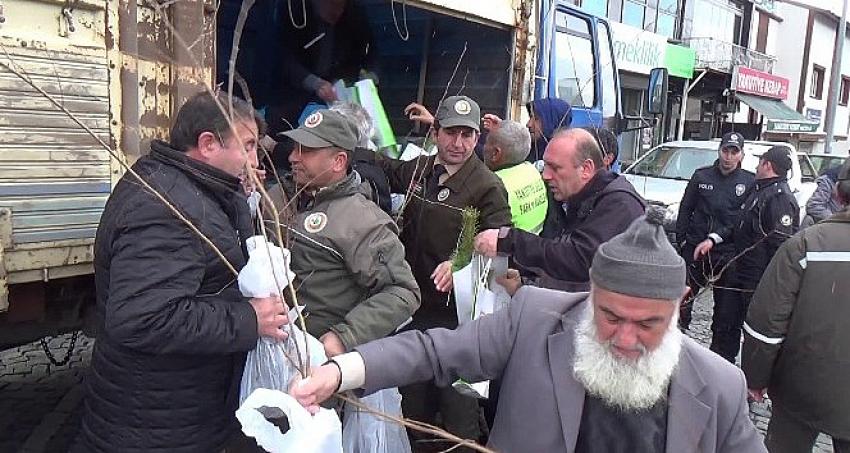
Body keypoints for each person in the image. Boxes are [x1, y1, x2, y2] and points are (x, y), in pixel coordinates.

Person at [291, 207, 766, 453]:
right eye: (611, 317)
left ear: (680, 306)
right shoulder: (536, 318)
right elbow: (434, 351)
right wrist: (338, 372)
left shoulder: (721, 386)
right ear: (591, 294)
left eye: (648, 325)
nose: (625, 339)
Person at [74, 92, 288, 452]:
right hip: (154, 423)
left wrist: (242, 196)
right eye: (248, 147)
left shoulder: (193, 186)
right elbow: (143, 318)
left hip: (176, 408)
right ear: (207, 144)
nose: (255, 161)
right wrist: (249, 319)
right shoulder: (165, 208)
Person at [356, 95, 512, 448]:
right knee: (414, 410)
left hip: (459, 321)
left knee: (458, 417)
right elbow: (388, 167)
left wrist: (461, 262)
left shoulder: (487, 186)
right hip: (413, 313)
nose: (459, 144)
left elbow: (501, 245)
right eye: (451, 133)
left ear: (477, 139)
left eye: (468, 136)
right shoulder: (421, 171)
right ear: (436, 132)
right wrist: (347, 148)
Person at [266, 108, 420, 357]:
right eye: (295, 147)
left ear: (338, 161)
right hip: (271, 351)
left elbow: (403, 293)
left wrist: (344, 337)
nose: (294, 157)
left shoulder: (365, 222)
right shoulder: (278, 197)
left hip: (319, 365)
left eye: (307, 150)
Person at [741, 157, 850, 453]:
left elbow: (766, 326)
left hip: (802, 387)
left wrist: (755, 377)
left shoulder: (807, 244)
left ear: (838, 194)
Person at [473, 128, 645, 294]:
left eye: (555, 168)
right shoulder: (582, 199)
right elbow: (566, 265)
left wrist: (509, 239)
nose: (545, 176)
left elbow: (579, 261)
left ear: (586, 169)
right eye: (545, 166)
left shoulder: (620, 205)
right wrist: (527, 286)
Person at [694, 145, 799, 363]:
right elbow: (738, 225)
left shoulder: (779, 199)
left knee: (752, 334)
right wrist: (714, 239)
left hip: (758, 281)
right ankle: (720, 372)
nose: (757, 165)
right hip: (738, 273)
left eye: (761, 161)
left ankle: (749, 386)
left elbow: (780, 246)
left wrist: (772, 287)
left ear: (767, 165)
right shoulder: (759, 189)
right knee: (724, 324)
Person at [676, 132, 755, 331]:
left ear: (741, 155)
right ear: (719, 151)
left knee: (725, 314)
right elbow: (686, 208)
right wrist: (682, 240)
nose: (728, 157)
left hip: (726, 253)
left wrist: (717, 239)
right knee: (681, 303)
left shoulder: (748, 182)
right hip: (694, 248)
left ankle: (719, 356)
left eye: (734, 152)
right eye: (725, 151)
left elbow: (742, 219)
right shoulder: (701, 175)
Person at [266, 0, 374, 134]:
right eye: (332, 4)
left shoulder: (353, 14)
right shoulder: (294, 12)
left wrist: (368, 77)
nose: (337, 12)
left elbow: (368, 51)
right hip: (291, 94)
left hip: (336, 92)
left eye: (341, 6)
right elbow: (282, 57)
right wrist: (313, 82)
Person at [481, 119, 548, 234]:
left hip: (511, 248)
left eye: (486, 142)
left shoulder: (492, 186)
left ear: (496, 153)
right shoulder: (532, 170)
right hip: (534, 242)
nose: (483, 147)